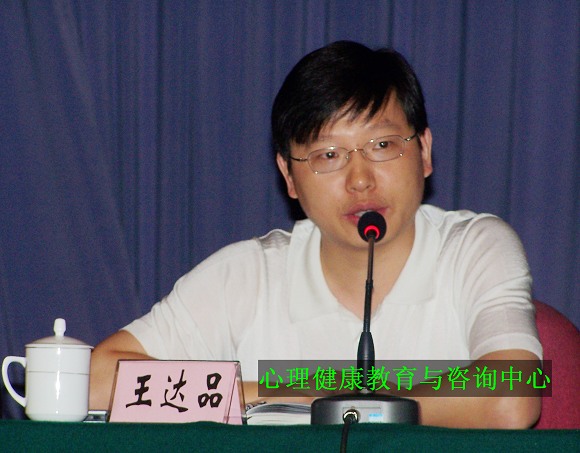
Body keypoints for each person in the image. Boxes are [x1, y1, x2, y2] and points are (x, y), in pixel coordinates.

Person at [90, 41, 542, 428]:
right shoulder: (248, 275)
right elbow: (97, 381)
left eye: (382, 146)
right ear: (289, 175)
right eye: (328, 155)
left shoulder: (474, 247)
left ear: (423, 151)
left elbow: (513, 393)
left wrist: (347, 405)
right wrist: (290, 394)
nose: (360, 179)